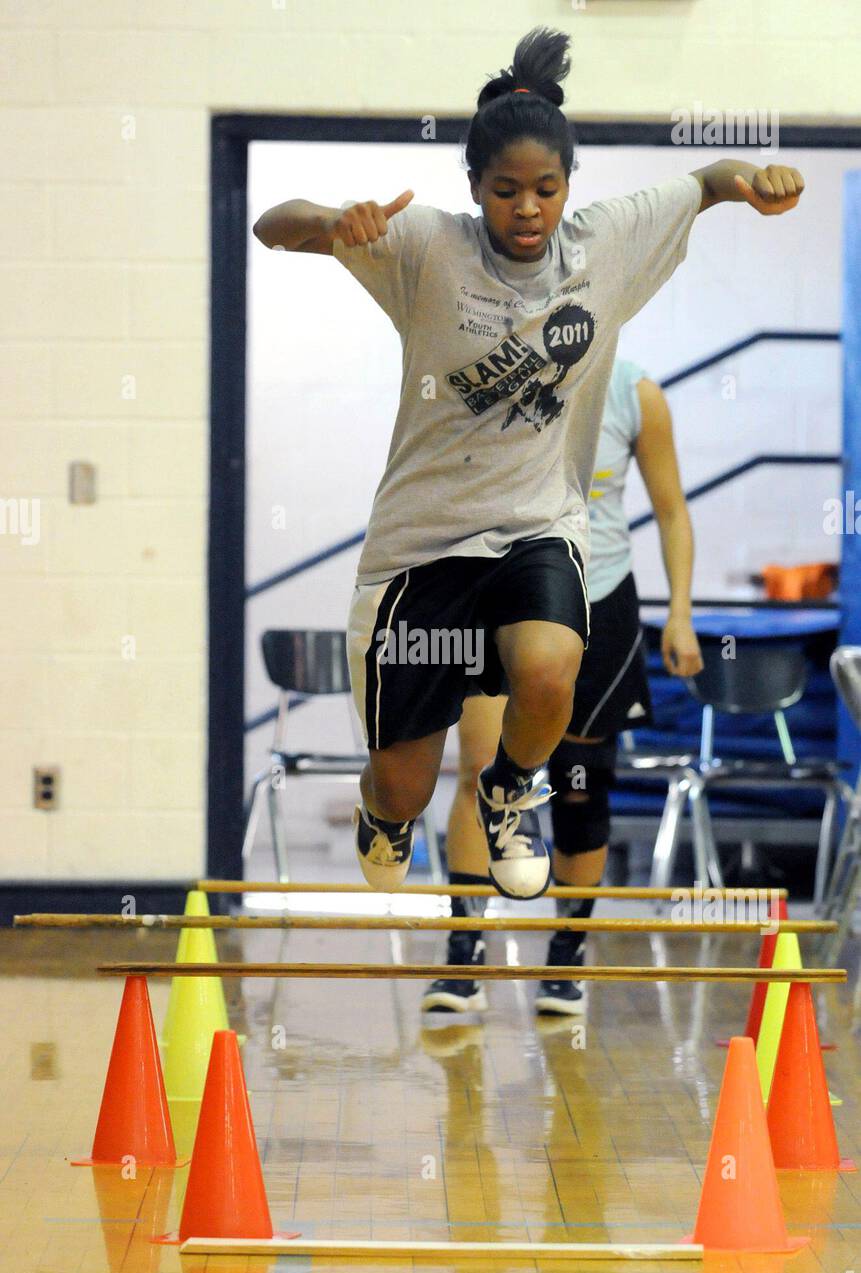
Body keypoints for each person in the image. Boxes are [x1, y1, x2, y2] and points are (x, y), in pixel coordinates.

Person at [253, 27, 804, 912]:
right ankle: (383, 814)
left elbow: (704, 183)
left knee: (551, 669)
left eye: (545, 190)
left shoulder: (603, 246)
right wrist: (329, 223)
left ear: (567, 189)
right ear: (473, 189)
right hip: (421, 550)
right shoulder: (427, 249)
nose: (527, 209)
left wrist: (754, 182)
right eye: (505, 191)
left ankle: (512, 790)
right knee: (402, 780)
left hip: (536, 527)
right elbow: (270, 224)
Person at [422, 358, 704, 1015]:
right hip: (499, 590)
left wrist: (683, 613)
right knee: (480, 772)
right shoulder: (485, 375)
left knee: (581, 783)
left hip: (599, 597)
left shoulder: (637, 396)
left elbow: (670, 511)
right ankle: (463, 955)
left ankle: (566, 955)